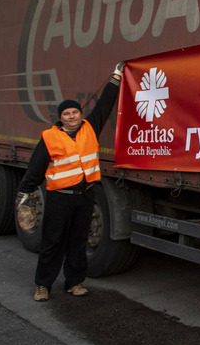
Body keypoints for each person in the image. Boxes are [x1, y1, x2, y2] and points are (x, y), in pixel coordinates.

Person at [17, 63, 124, 302]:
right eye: (66, 114)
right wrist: (24, 192)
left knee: (78, 242)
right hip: (59, 198)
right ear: (61, 118)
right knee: (52, 242)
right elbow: (35, 168)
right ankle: (43, 285)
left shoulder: (90, 128)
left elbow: (105, 103)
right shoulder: (50, 138)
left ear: (80, 113)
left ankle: (74, 283)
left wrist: (116, 76)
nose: (72, 116)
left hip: (85, 196)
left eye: (75, 112)